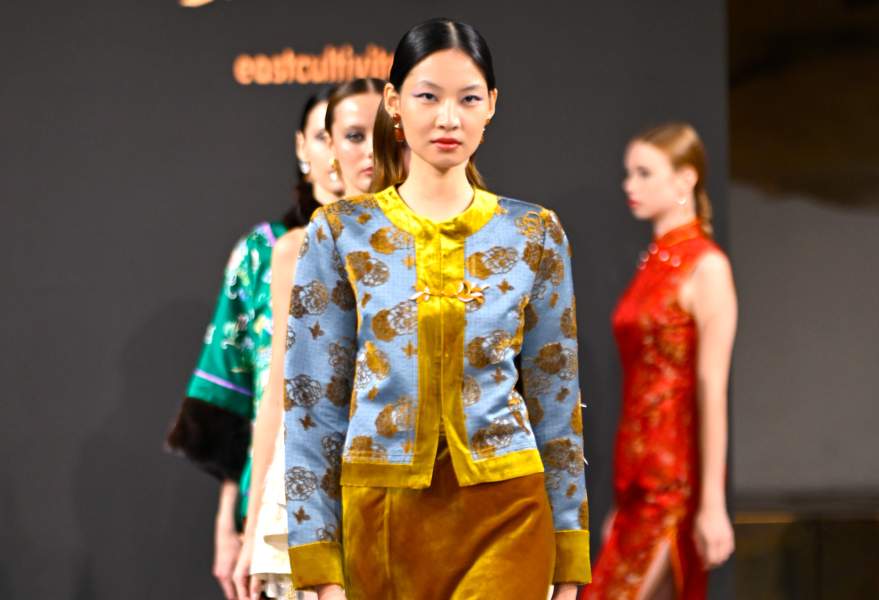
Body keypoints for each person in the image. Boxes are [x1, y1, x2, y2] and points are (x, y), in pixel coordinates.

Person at [283, 18, 590, 600]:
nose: (449, 118)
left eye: (468, 98)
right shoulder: (340, 232)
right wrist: (319, 565)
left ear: (491, 106)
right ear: (395, 102)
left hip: (509, 508)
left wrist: (570, 555)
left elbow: (557, 398)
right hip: (382, 515)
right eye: (428, 96)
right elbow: (311, 403)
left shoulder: (535, 233)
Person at [166, 86, 342, 600]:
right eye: (323, 136)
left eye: (354, 136)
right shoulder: (264, 253)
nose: (338, 153)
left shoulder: (398, 246)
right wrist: (229, 522)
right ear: (302, 148)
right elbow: (242, 394)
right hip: (270, 495)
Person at [231, 79, 385, 600]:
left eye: (386, 133)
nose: (371, 149)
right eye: (353, 134)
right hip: (313, 491)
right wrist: (251, 530)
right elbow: (278, 391)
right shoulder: (294, 251)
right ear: (329, 148)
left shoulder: (455, 239)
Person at [582, 123, 736, 600]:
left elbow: (712, 387)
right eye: (630, 173)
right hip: (636, 480)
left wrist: (711, 503)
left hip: (673, 486)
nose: (630, 185)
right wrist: (622, 504)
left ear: (684, 180)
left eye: (645, 173)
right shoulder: (654, 261)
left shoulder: (706, 266)